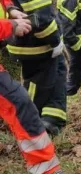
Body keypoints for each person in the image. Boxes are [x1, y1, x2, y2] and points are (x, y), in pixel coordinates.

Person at [0, 1, 72, 174]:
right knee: (23, 99)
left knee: (19, 101)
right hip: (35, 49)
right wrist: (11, 26)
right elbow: (43, 16)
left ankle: (46, 168)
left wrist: (11, 9)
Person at [6, 0, 68, 136]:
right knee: (37, 85)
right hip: (35, 45)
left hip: (39, 43)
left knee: (58, 74)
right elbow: (41, 15)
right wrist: (55, 40)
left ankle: (53, 119)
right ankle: (29, 124)